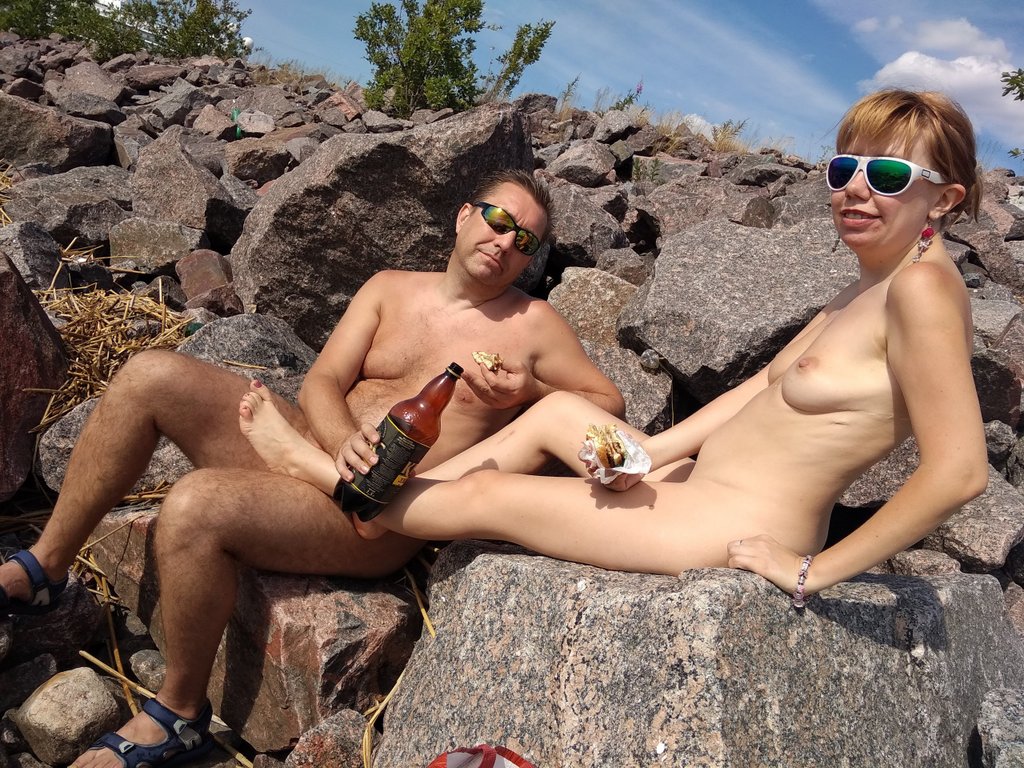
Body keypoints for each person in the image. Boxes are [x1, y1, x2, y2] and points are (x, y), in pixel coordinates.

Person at [239, 89, 988, 610]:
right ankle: (394, 501)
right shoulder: (870, 284)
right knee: (555, 412)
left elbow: (958, 472)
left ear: (945, 198)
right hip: (694, 481)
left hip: (730, 522)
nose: (856, 189)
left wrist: (809, 572)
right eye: (844, 168)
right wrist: (650, 454)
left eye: (889, 175)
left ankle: (333, 479)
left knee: (493, 499)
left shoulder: (922, 290)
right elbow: (763, 385)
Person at [0, 168, 625, 768]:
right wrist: (340, 440)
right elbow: (323, 379)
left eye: (526, 241)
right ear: (464, 217)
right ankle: (44, 569)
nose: (506, 242)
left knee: (195, 505)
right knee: (149, 374)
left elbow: (606, 404)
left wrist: (532, 391)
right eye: (498, 220)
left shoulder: (532, 325)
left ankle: (178, 713)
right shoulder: (390, 288)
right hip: (315, 442)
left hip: (378, 513)